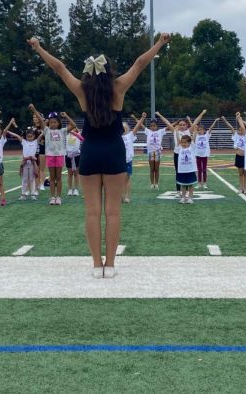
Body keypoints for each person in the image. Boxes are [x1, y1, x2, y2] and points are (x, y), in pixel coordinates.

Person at [29, 33, 170, 278]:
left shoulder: (82, 91)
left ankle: (97, 265)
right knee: (113, 211)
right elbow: (139, 64)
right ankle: (111, 264)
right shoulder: (118, 88)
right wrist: (159, 43)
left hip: (91, 152)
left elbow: (60, 68)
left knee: (92, 212)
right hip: (114, 152)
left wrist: (38, 48)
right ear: (108, 71)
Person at [7, 125, 40, 201]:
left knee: (32, 179)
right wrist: (9, 132)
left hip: (32, 163)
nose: (29, 138)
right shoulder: (24, 142)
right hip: (25, 163)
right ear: (26, 136)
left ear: (34, 136)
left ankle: (33, 194)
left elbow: (42, 134)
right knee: (24, 179)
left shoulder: (36, 142)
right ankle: (23, 194)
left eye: (31, 136)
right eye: (28, 136)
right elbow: (17, 136)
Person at [121, 114, 146, 204]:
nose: (123, 129)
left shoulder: (130, 136)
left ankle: (127, 196)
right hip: (118, 161)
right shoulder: (116, 137)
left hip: (128, 160)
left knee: (127, 179)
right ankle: (121, 196)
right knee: (119, 180)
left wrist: (142, 118)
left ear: (127, 129)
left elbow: (137, 126)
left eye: (125, 127)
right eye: (122, 127)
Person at [223, 115, 246, 194]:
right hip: (238, 156)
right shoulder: (236, 136)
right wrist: (225, 120)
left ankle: (245, 188)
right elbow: (231, 128)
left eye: (241, 130)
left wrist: (239, 118)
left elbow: (243, 127)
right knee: (240, 173)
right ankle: (240, 188)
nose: (240, 131)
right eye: (239, 130)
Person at [142, 118, 166, 190]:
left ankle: (157, 184)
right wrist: (136, 118)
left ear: (157, 126)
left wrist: (176, 123)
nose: (153, 127)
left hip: (158, 152)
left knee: (157, 169)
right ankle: (152, 184)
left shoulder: (160, 131)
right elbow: (141, 125)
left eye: (154, 126)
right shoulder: (148, 131)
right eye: (151, 126)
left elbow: (169, 126)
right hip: (150, 152)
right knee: (152, 169)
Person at [65, 120, 84, 196]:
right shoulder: (66, 135)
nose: (71, 128)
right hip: (68, 156)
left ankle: (76, 189)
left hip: (77, 156)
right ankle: (70, 189)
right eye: (69, 126)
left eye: (72, 127)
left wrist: (75, 131)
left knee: (76, 174)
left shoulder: (79, 134)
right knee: (69, 174)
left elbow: (82, 138)